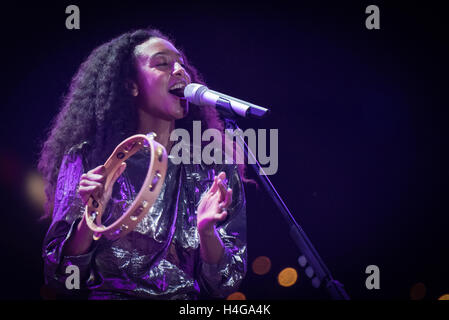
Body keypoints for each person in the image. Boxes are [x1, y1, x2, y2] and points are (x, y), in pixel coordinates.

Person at [38, 28, 247, 300]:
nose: (180, 71)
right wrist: (91, 218)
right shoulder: (90, 158)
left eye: (182, 64)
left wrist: (207, 232)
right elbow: (63, 278)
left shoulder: (213, 168)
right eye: (163, 63)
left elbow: (224, 286)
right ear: (131, 85)